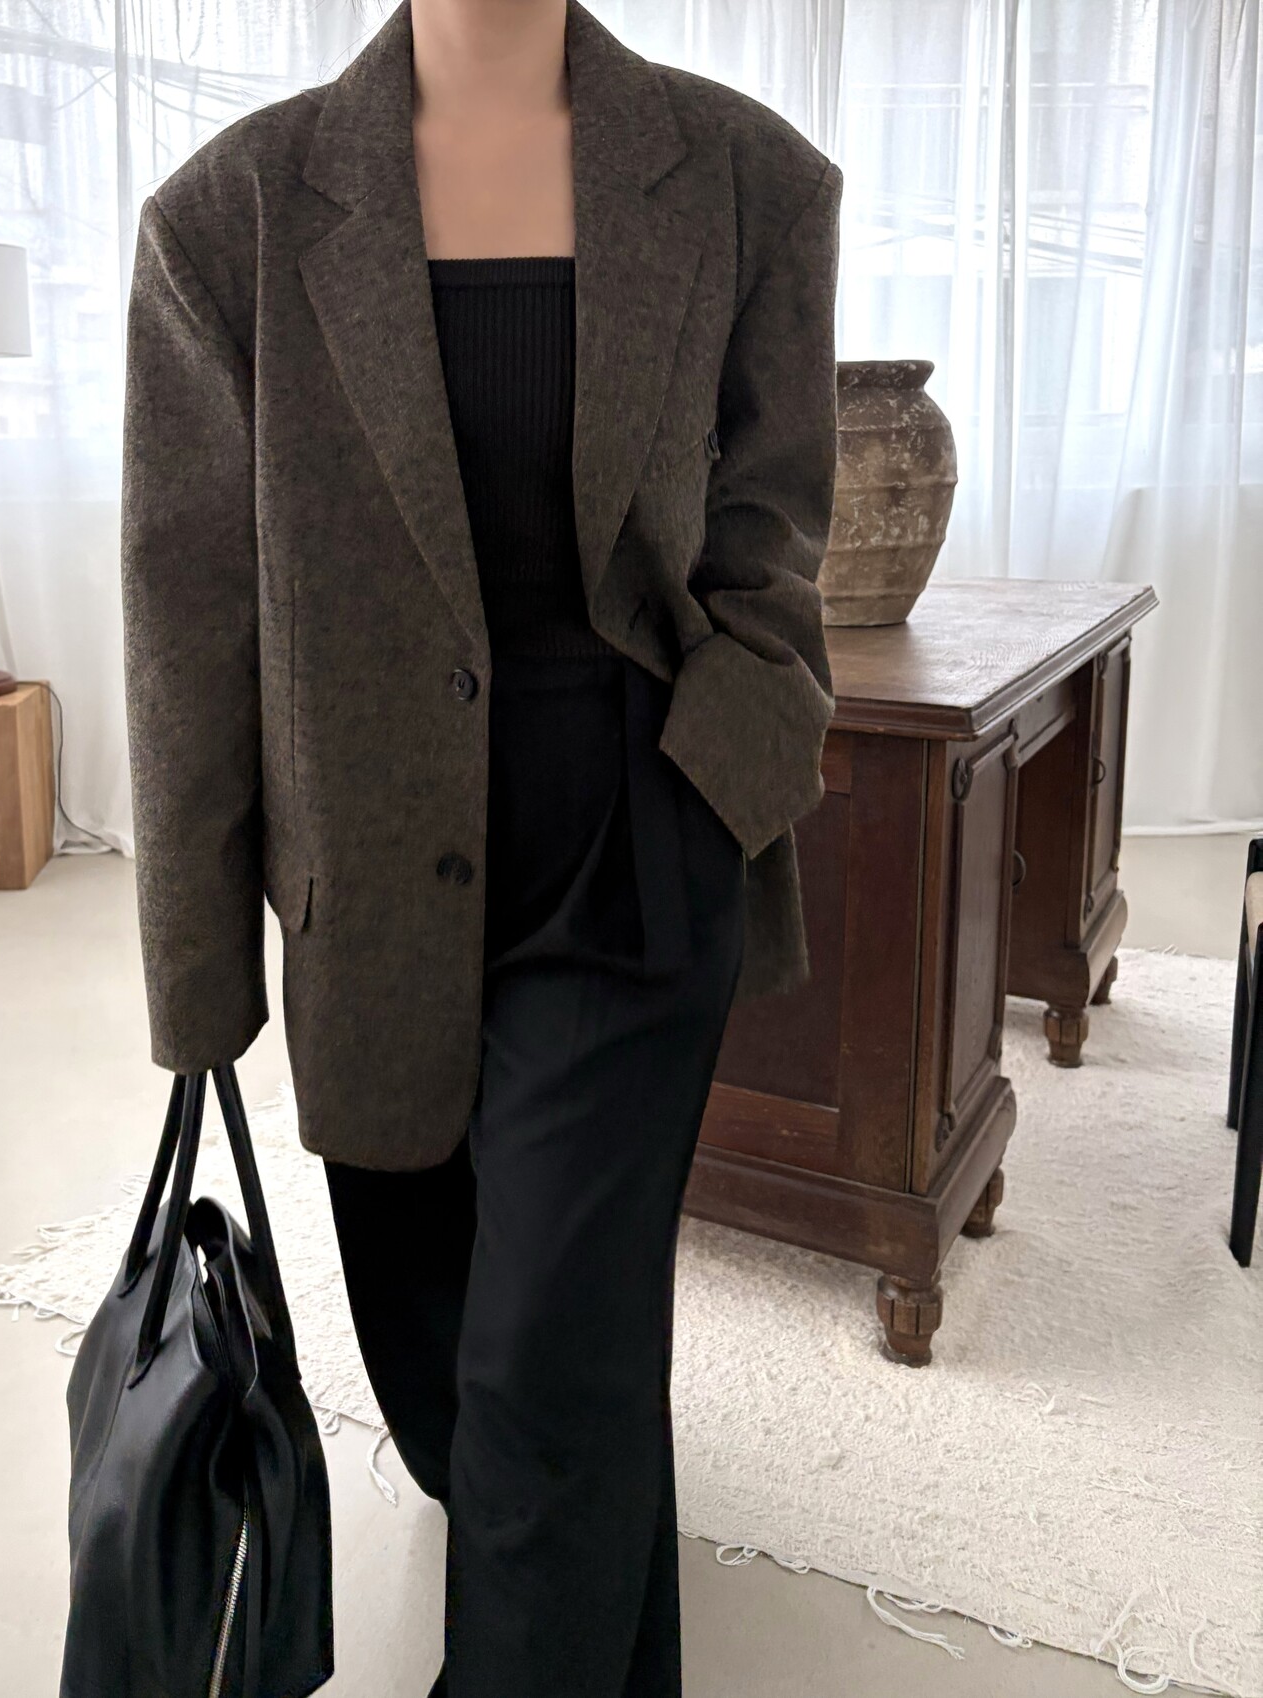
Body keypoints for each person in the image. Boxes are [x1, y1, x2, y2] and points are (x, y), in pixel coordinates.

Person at [118, 1, 842, 1693]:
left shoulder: (746, 180)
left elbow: (773, 535)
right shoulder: (229, 220)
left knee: (537, 1375)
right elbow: (188, 629)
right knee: (455, 1374)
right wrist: (198, 979)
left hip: (636, 840)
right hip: (369, 878)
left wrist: (718, 781)